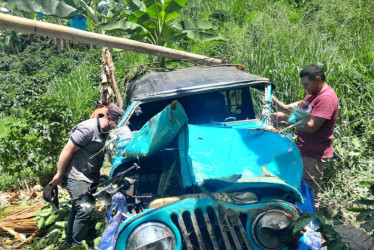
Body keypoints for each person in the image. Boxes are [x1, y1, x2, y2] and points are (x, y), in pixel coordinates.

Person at [50, 104, 124, 247]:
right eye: (116, 123)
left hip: (91, 176)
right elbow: (67, 150)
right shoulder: (87, 129)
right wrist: (59, 174)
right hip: (76, 176)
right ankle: (77, 245)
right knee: (85, 209)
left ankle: (69, 242)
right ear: (109, 118)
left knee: (77, 209)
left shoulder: (106, 131)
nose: (117, 126)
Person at [272, 64, 339, 209]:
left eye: (306, 84)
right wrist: (274, 101)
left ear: (318, 79)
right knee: (300, 185)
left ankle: (313, 224)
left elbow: (312, 127)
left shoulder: (326, 99)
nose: (305, 88)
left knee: (311, 191)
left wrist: (286, 119)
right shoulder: (312, 93)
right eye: (303, 85)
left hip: (314, 152)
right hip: (304, 147)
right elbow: (291, 109)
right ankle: (300, 215)